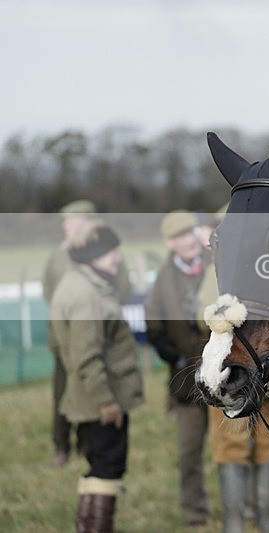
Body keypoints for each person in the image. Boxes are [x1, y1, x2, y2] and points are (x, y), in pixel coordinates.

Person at [49, 221, 143, 532]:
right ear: (91, 255)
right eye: (109, 252)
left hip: (91, 398)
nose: (117, 257)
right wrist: (107, 403)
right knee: (108, 469)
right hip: (102, 401)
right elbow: (86, 357)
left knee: (99, 468)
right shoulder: (86, 294)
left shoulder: (81, 283)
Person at [197, 206, 269, 533]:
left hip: (255, 374)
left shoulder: (247, 270)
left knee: (262, 446)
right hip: (232, 375)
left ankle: (261, 522)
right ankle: (239, 525)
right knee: (237, 449)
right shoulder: (240, 271)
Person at [42, 199, 132, 468]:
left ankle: (88, 446)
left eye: (72, 220)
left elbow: (123, 292)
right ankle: (61, 445)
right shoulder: (57, 256)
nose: (66, 225)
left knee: (96, 390)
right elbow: (49, 292)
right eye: (65, 221)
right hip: (65, 340)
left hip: (100, 337)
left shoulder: (110, 253)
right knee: (64, 394)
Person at [144, 210, 211, 527]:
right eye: (181, 236)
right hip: (187, 385)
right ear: (169, 242)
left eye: (191, 232)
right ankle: (195, 513)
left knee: (238, 450)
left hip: (228, 377)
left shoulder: (217, 265)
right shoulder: (162, 280)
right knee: (188, 454)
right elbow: (153, 323)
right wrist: (167, 350)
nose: (189, 240)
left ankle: (247, 507)